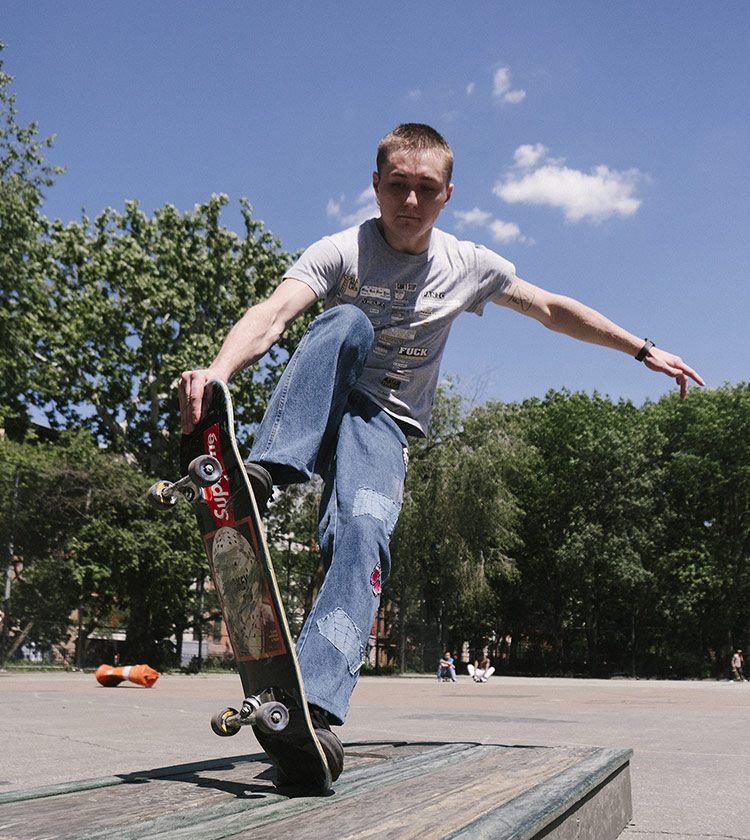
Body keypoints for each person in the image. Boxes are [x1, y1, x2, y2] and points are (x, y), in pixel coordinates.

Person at [179, 122, 704, 775]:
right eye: (397, 186)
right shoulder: (342, 250)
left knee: (367, 536)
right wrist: (218, 373)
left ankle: (306, 710)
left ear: (447, 195)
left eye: (425, 189)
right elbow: (275, 312)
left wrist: (644, 350)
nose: (409, 202)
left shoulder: (466, 264)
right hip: (326, 396)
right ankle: (262, 473)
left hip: (383, 425)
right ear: (376, 185)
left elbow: (549, 308)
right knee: (346, 320)